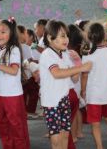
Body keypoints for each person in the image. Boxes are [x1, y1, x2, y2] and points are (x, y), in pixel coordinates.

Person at [39, 20, 92, 149]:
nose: (66, 39)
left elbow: (73, 79)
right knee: (56, 138)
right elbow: (56, 73)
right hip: (52, 102)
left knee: (64, 134)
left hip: (64, 99)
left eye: (67, 35)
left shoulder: (65, 54)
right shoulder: (47, 54)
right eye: (62, 36)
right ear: (50, 38)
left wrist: (78, 63)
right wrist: (81, 68)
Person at [0, 18, 30, 148]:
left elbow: (14, 70)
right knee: (2, 124)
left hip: (13, 95)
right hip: (0, 94)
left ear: (11, 33)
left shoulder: (14, 49)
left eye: (3, 31)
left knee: (16, 126)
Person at [81, 22, 107, 149]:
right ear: (104, 35)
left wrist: (82, 90)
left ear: (89, 36)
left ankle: (99, 146)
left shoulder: (88, 56)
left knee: (95, 123)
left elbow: (85, 76)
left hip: (95, 95)